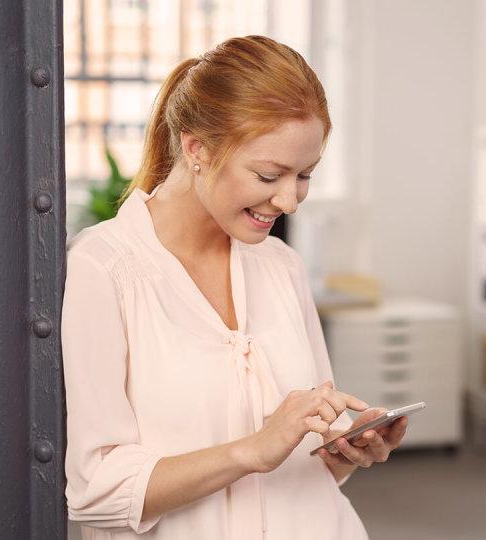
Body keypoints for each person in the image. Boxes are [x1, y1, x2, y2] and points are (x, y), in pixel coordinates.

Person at [61, 35, 408, 540]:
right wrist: (249, 450)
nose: (289, 200)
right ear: (197, 149)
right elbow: (97, 491)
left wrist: (344, 450)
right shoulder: (103, 268)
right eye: (270, 175)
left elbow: (310, 471)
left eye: (305, 175)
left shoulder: (282, 266)